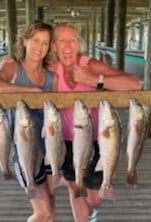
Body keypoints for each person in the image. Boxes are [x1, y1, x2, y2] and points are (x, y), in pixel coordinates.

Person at [49, 22, 141, 222]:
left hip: (97, 139)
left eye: (72, 40)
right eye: (61, 40)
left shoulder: (88, 64)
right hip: (64, 140)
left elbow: (134, 83)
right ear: (54, 46)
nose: (67, 45)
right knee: (75, 189)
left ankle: (91, 211)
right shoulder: (50, 68)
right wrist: (11, 64)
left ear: (78, 43)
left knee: (94, 198)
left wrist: (94, 80)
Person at [0, 21, 58, 222]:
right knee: (42, 212)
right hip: (25, 151)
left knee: (51, 207)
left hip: (49, 148)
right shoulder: (13, 68)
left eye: (45, 43)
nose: (39, 47)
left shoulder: (51, 77)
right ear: (25, 40)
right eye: (35, 40)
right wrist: (33, 92)